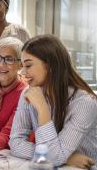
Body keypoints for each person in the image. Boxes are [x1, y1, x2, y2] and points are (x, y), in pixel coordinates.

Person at [9, 34, 97, 169]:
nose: (22, 72)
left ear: (50, 65)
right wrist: (67, 158)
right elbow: (15, 143)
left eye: (28, 65)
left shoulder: (85, 103)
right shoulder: (29, 93)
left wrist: (42, 108)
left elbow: (53, 158)